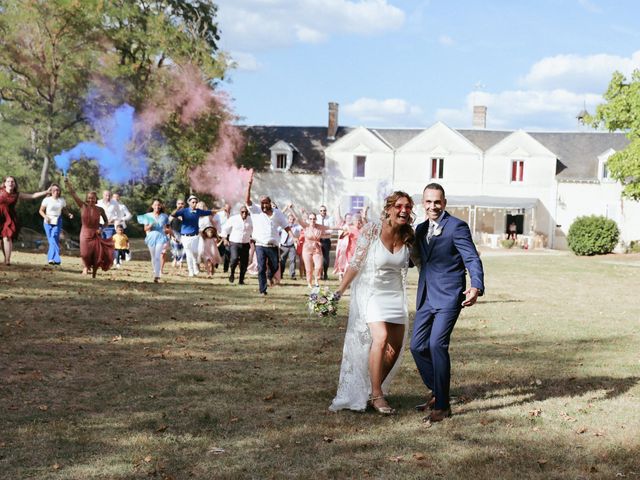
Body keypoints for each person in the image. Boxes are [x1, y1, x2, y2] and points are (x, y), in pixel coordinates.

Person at [329, 191, 415, 414]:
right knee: (381, 337)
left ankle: (370, 389)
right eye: (399, 206)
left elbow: (423, 262)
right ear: (388, 208)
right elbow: (355, 264)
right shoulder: (372, 230)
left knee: (395, 347)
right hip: (372, 293)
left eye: (408, 207)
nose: (404, 210)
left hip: (395, 295)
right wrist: (339, 292)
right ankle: (378, 396)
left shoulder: (408, 235)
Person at [410, 183, 484, 423]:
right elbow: (413, 259)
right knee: (417, 346)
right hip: (426, 297)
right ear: (424, 203)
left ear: (444, 203)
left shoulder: (457, 227)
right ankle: (438, 391)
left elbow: (471, 257)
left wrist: (475, 286)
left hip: (449, 296)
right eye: (429, 202)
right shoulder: (420, 229)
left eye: (437, 202)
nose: (433, 206)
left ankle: (442, 406)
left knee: (436, 345)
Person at [245, 172, 290, 295]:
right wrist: (249, 185)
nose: (264, 205)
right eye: (262, 203)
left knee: (275, 266)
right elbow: (247, 200)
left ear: (270, 203)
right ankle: (262, 290)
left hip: (273, 246)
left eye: (266, 203)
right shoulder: (256, 210)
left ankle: (270, 276)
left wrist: (294, 237)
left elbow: (286, 226)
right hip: (260, 245)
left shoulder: (277, 213)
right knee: (261, 268)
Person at [65, 178, 114, 278]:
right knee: (85, 253)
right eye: (89, 198)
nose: (91, 200)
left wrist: (101, 229)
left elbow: (106, 222)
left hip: (95, 233)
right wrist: (67, 183)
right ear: (87, 198)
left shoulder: (100, 209)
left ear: (96, 199)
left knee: (96, 254)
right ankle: (85, 267)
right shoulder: (82, 206)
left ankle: (94, 274)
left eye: (93, 198)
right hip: (85, 232)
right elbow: (73, 194)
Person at [1, 176, 51, 266]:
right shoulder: (0, 192)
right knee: (2, 240)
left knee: (7, 237)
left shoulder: (16, 194)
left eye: (12, 181)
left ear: (15, 184)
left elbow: (32, 196)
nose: (10, 183)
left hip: (9, 218)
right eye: (8, 181)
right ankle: (6, 258)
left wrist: (46, 192)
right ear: (4, 183)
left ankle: (7, 260)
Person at [170, 195, 213, 277]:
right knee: (189, 254)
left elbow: (209, 212)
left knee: (196, 253)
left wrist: (220, 210)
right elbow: (172, 215)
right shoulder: (184, 211)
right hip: (185, 237)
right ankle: (191, 271)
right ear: (189, 202)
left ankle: (195, 267)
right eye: (193, 202)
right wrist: (178, 208)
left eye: (196, 202)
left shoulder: (198, 211)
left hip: (195, 236)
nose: (195, 203)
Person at [289, 207, 332, 288]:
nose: (312, 220)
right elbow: (297, 219)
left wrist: (343, 228)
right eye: (311, 219)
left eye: (314, 219)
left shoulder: (319, 226)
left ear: (316, 219)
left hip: (317, 248)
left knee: (319, 266)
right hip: (307, 249)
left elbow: (330, 228)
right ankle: (309, 283)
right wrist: (291, 209)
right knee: (309, 269)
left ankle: (316, 280)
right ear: (308, 220)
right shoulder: (305, 226)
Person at [39, 183, 73, 265]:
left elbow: (64, 210)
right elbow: (40, 211)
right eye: (54, 190)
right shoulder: (46, 200)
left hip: (57, 220)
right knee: (52, 240)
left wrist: (69, 214)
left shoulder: (61, 200)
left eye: (57, 190)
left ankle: (51, 258)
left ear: (59, 191)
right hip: (47, 221)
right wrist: (45, 217)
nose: (56, 191)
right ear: (51, 191)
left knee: (54, 237)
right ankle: (56, 259)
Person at [138, 199, 170, 282]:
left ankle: (157, 275)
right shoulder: (147, 215)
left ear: (161, 206)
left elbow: (167, 228)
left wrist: (167, 231)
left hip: (161, 236)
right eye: (155, 205)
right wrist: (150, 225)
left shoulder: (165, 216)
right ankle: (155, 270)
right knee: (153, 256)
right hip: (151, 236)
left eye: (159, 205)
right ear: (152, 206)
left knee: (157, 255)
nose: (157, 206)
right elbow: (145, 229)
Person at [222, 206, 253, 284]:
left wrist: (254, 238)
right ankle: (232, 273)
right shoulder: (234, 218)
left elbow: (255, 230)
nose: (244, 213)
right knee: (234, 259)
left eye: (246, 212)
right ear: (240, 212)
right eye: (242, 212)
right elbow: (225, 228)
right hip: (234, 243)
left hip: (245, 243)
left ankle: (241, 280)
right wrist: (225, 239)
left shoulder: (251, 220)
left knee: (244, 263)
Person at [279, 212, 300, 281]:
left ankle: (292, 275)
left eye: (293, 219)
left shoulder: (296, 227)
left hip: (291, 246)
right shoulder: (283, 226)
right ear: (288, 219)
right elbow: (277, 230)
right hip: (283, 246)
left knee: (292, 260)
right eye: (290, 219)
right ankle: (281, 274)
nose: (291, 221)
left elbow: (300, 225)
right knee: (282, 261)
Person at [317, 205, 335, 280]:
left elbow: (331, 230)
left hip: (326, 241)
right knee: (318, 257)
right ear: (319, 211)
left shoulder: (330, 218)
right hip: (318, 240)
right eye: (321, 210)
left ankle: (325, 273)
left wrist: (323, 232)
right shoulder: (317, 217)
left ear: (326, 211)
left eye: (324, 210)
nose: (323, 212)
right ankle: (319, 273)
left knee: (326, 258)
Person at [214, 203, 232, 273]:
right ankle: (215, 266)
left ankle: (225, 269)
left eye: (229, 208)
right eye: (226, 208)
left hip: (228, 236)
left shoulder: (232, 215)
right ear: (224, 207)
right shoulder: (219, 215)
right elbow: (214, 222)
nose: (228, 209)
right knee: (219, 253)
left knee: (228, 253)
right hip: (220, 235)